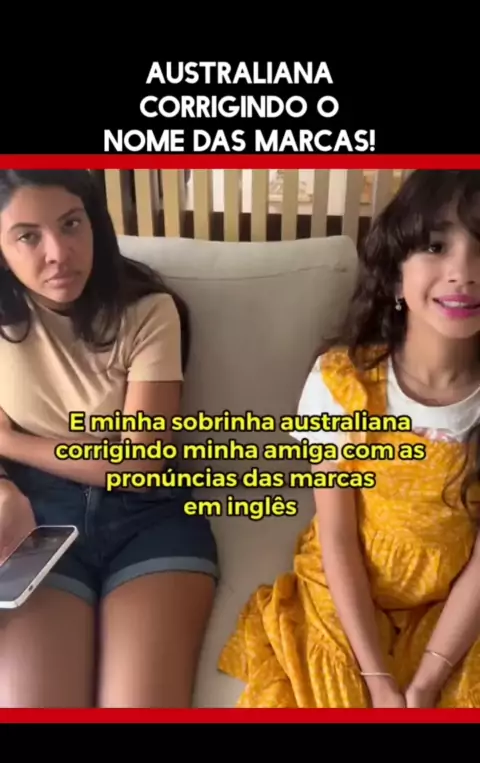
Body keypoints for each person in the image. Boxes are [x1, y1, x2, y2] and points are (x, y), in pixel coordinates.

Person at [218, 169, 480, 709]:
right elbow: (336, 538)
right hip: (347, 595)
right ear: (396, 275)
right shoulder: (343, 384)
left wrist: (428, 678)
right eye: (435, 246)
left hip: (455, 608)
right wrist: (378, 679)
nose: (464, 272)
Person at [0, 169, 218, 708]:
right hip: (40, 522)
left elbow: (141, 464)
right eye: (28, 236)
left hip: (149, 519)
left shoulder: (149, 311)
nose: (58, 253)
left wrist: (10, 444)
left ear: (95, 222)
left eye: (71, 224)